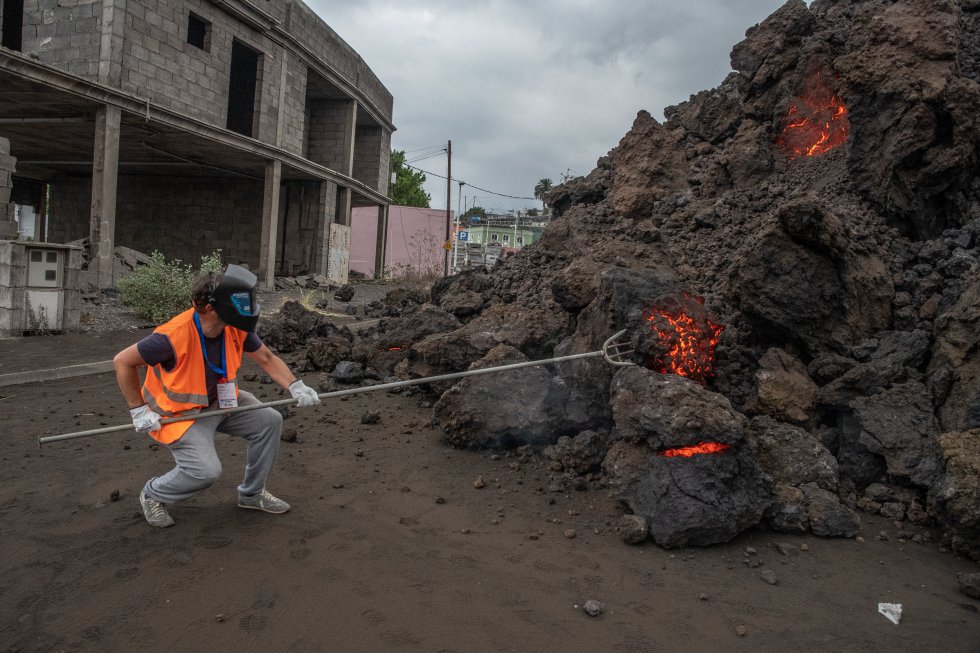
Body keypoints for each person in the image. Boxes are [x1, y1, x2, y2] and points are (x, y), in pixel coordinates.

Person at [113, 264, 321, 528]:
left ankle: (252, 494)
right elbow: (122, 361)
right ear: (211, 308)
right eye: (238, 301)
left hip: (222, 402)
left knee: (269, 421)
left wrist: (295, 385)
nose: (246, 307)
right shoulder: (171, 337)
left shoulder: (234, 326)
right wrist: (139, 410)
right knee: (206, 472)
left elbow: (267, 359)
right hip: (181, 414)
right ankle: (154, 493)